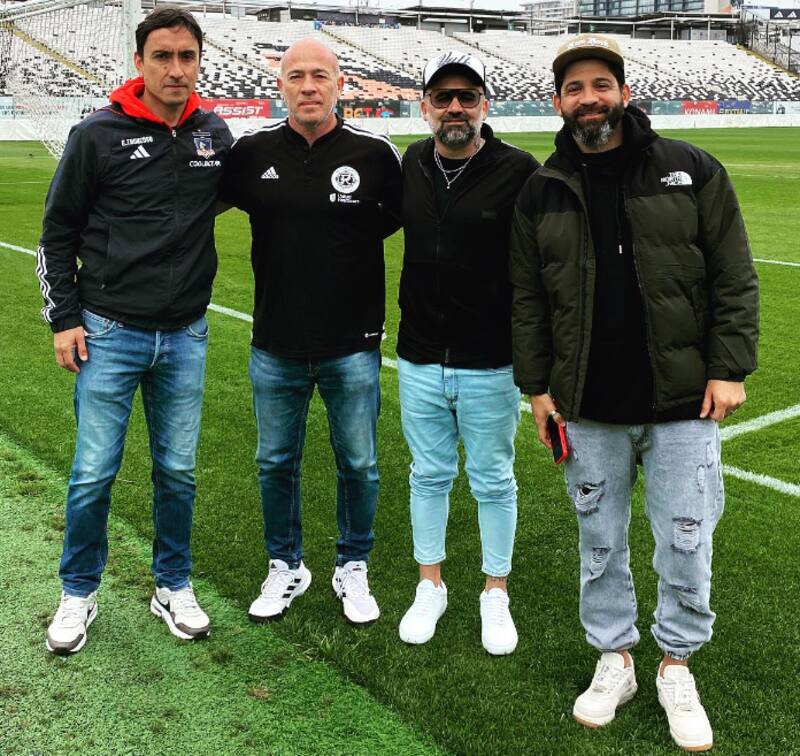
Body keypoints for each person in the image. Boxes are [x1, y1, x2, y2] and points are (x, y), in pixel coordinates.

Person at [510, 34, 759, 750]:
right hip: (586, 405)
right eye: (574, 89)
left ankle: (676, 662)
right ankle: (614, 656)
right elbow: (527, 300)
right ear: (558, 103)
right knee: (599, 543)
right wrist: (536, 390)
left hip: (683, 401)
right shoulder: (543, 189)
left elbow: (733, 275)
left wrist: (729, 367)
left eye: (600, 85)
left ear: (623, 91)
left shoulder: (690, 168)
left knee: (685, 542)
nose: (588, 99)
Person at [37, 6, 232, 654]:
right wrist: (64, 319)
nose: (176, 69)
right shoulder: (96, 135)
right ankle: (77, 591)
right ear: (139, 62)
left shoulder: (213, 135)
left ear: (199, 62)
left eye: (187, 57)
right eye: (163, 57)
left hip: (186, 337)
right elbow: (57, 231)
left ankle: (172, 585)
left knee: (177, 472)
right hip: (110, 333)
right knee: (94, 472)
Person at [219, 39, 402, 626]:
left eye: (319, 75)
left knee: (360, 463)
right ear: (281, 84)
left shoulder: (376, 155)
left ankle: (353, 564)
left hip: (353, 344)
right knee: (275, 461)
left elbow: (399, 224)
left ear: (339, 82)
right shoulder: (251, 154)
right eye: (295, 76)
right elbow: (193, 206)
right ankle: (286, 564)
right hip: (274, 343)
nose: (308, 86)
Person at [396, 52, 539, 655]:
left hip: (491, 361)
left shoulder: (519, 169)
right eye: (443, 96)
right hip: (419, 356)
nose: (455, 106)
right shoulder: (411, 161)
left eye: (468, 95)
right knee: (427, 475)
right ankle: (431, 584)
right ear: (425, 105)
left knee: (492, 480)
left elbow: (541, 264)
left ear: (486, 104)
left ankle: (494, 590)